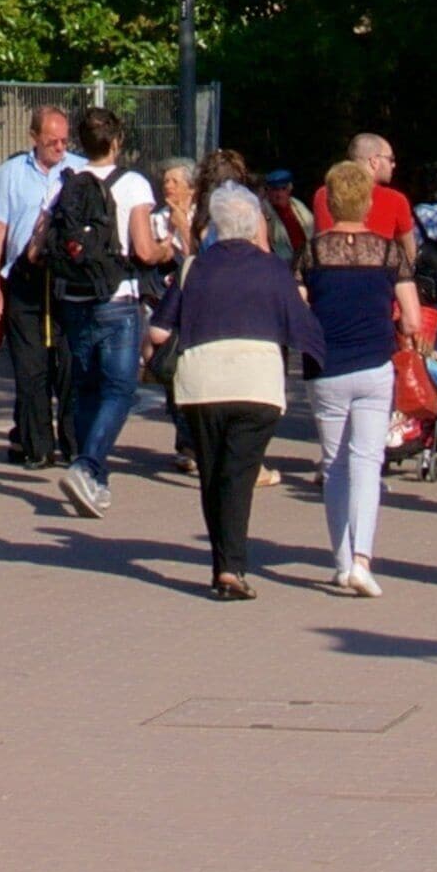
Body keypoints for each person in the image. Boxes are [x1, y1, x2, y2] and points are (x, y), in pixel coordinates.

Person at [152, 185, 323, 598]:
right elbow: (304, 329)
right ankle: (230, 569)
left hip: (200, 385)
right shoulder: (272, 270)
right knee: (237, 476)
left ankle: (224, 565)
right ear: (254, 225)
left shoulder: (193, 268)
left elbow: (158, 331)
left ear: (215, 225)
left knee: (213, 474)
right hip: (256, 385)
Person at [299, 158, 421, 597]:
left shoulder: (312, 254)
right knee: (368, 462)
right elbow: (411, 319)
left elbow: (299, 307)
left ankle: (340, 561)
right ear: (368, 202)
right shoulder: (388, 253)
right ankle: (362, 562)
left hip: (325, 366)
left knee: (334, 464)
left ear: (329, 202)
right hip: (374, 363)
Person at [47, 107, 169, 517]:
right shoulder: (133, 184)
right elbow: (144, 250)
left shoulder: (65, 181)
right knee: (119, 389)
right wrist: (167, 249)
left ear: (80, 143)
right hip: (117, 298)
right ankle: (87, 466)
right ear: (116, 142)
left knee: (86, 389)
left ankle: (93, 482)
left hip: (73, 298)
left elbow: (40, 242)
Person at [0, 107, 76, 470]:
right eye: (52, 142)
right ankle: (37, 447)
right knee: (30, 369)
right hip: (23, 278)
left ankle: (74, 444)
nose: (59, 148)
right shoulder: (12, 173)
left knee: (68, 365)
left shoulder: (78, 171)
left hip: (65, 280)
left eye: (64, 141)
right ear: (34, 138)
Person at [345, 133, 416, 242]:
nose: (394, 165)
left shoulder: (323, 195)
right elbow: (409, 251)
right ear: (374, 162)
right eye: (391, 159)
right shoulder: (395, 200)